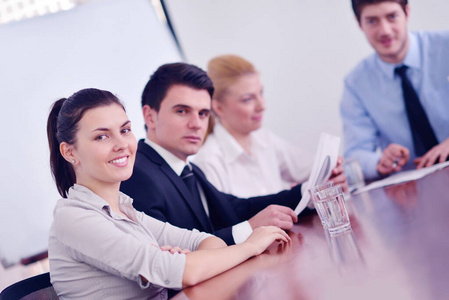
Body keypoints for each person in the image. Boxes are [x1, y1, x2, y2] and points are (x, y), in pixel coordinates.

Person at [46, 88, 291, 299]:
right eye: (102, 136)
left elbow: (205, 241)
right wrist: (251, 246)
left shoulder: (125, 210)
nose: (122, 144)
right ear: (69, 153)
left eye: (125, 130)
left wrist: (186, 262)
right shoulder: (73, 218)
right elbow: (187, 273)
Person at [121, 63, 347, 246]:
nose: (196, 124)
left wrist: (307, 192)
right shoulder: (137, 174)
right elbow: (171, 255)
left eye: (203, 114)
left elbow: (237, 209)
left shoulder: (187, 169)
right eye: (182, 111)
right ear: (150, 117)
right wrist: (249, 229)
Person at [340, 0, 449, 180]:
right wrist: (378, 161)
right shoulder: (356, 84)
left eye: (392, 17)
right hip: (416, 189)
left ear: (407, 13)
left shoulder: (445, 47)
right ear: (359, 23)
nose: (385, 31)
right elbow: (355, 154)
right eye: (372, 21)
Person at [193, 54, 313, 198]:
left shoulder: (265, 139)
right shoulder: (209, 163)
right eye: (248, 99)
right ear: (218, 108)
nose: (262, 106)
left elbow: (311, 170)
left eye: (261, 93)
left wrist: (333, 173)